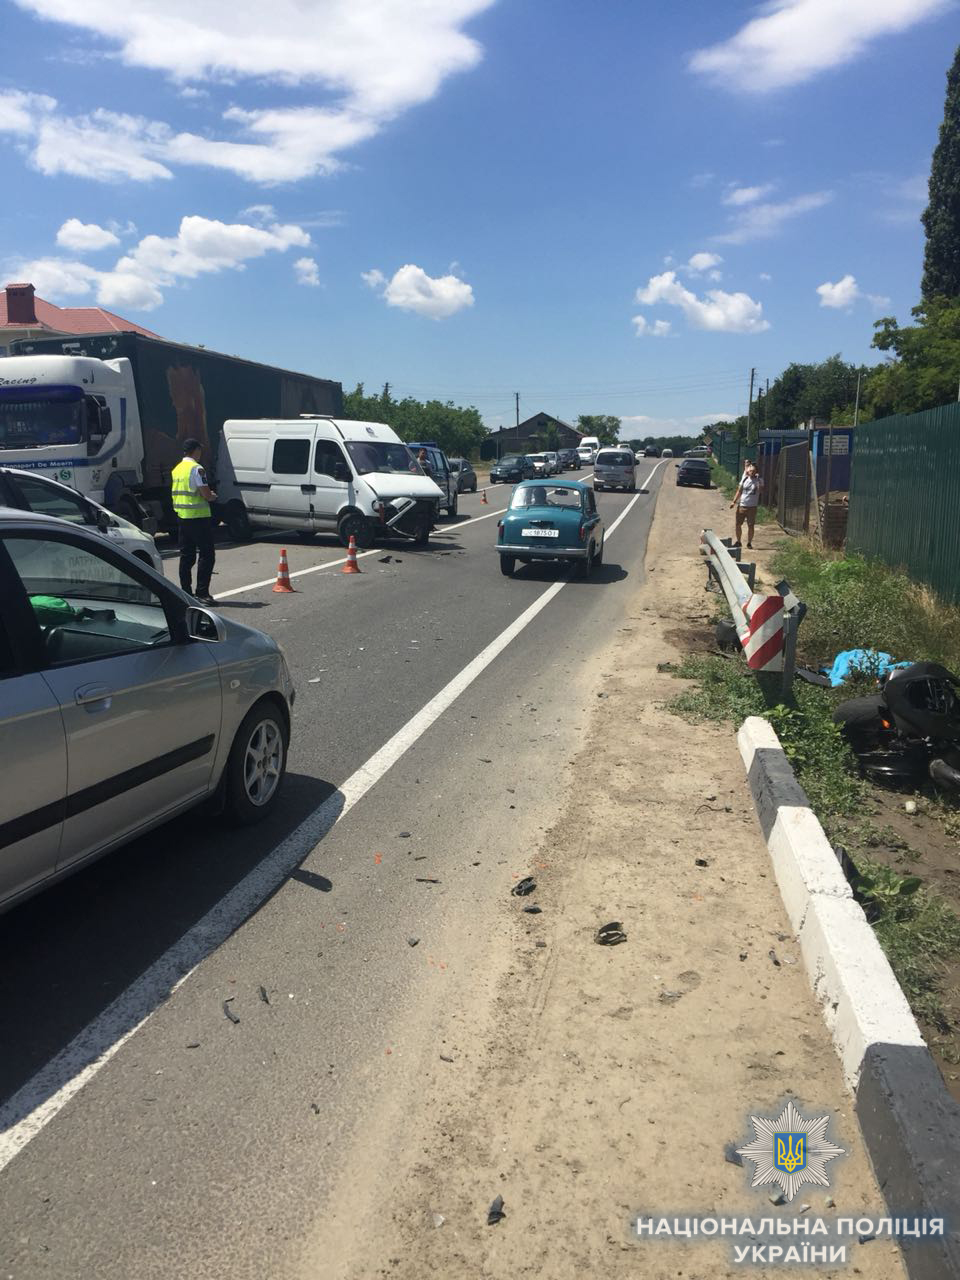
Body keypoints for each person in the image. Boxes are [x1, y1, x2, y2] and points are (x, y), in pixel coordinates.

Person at [171, 438, 218, 605]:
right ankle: (202, 593)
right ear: (196, 450)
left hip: (182, 517)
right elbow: (205, 493)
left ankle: (185, 592)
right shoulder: (197, 469)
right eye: (200, 450)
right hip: (198, 517)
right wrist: (212, 496)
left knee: (186, 556)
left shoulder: (177, 469)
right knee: (207, 554)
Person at [731, 462, 761, 549]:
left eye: (753, 471)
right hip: (742, 505)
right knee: (738, 524)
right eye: (750, 470)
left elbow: (761, 490)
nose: (751, 472)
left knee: (750, 525)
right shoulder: (744, 479)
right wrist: (734, 502)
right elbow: (739, 491)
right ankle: (738, 541)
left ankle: (749, 543)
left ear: (756, 472)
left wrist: (758, 480)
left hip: (752, 507)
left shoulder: (759, 480)